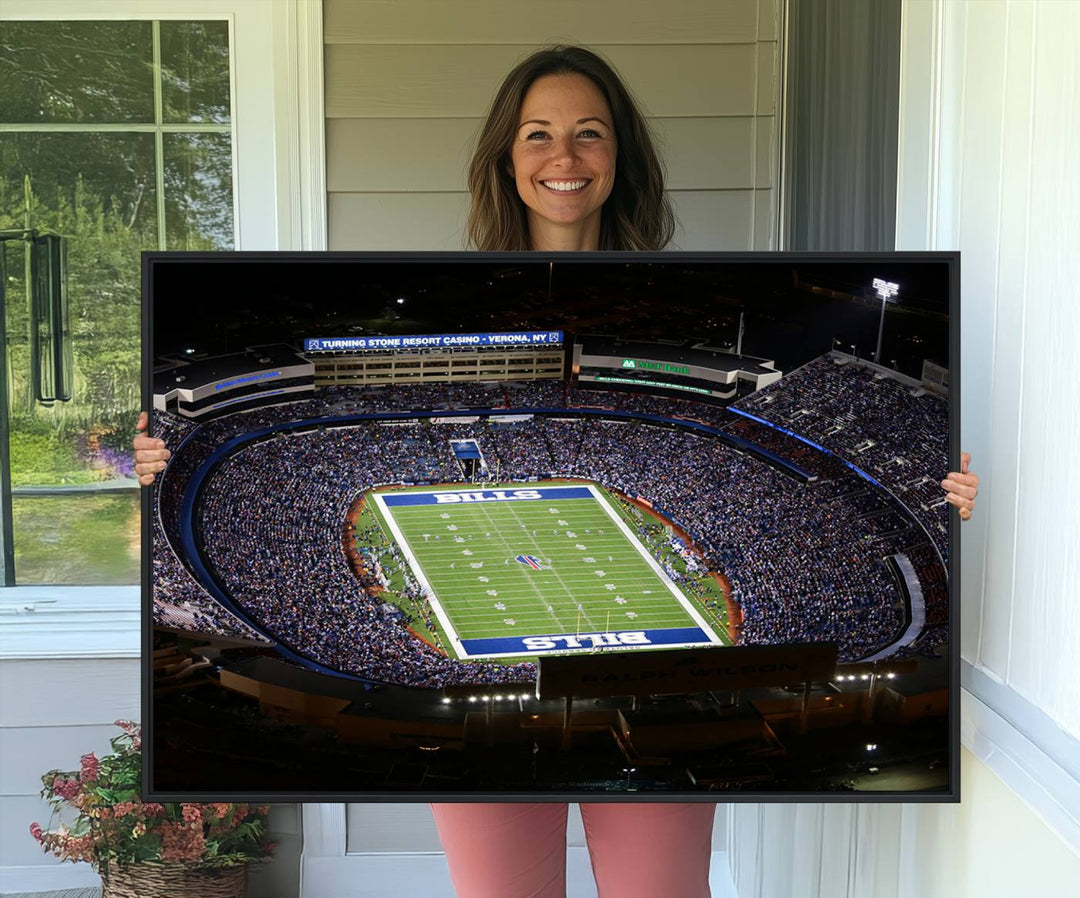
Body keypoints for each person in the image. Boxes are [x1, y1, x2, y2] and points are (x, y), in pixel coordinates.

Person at [134, 45, 979, 898]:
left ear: (622, 157)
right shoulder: (439, 285)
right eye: (538, 134)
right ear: (506, 156)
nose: (564, 158)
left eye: (589, 134)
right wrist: (146, 463)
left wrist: (943, 495)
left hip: (650, 706)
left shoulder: (687, 280)